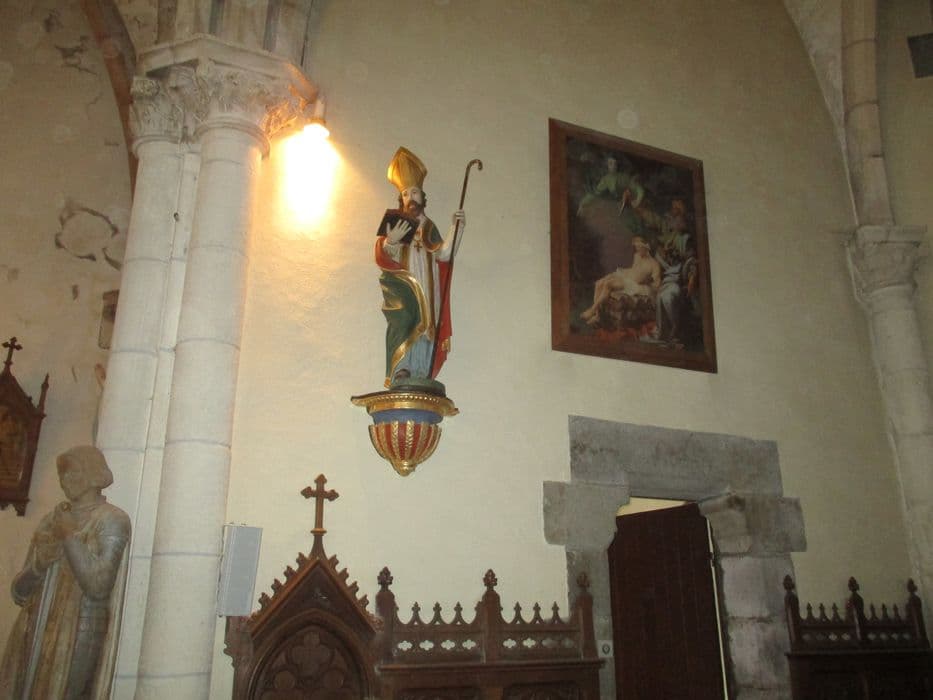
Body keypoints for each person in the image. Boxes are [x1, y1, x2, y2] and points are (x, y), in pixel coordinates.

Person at [0, 445, 130, 699]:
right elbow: (19, 593)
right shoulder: (51, 520)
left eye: (72, 472)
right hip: (36, 626)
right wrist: (39, 565)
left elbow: (99, 586)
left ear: (93, 473)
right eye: (61, 474)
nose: (64, 480)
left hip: (80, 630)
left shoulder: (112, 519)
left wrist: (69, 535)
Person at [375, 147, 465, 388]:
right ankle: (402, 369)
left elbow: (444, 253)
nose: (410, 198)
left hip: (427, 285)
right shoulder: (397, 224)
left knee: (427, 326)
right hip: (404, 286)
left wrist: (457, 228)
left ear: (423, 197)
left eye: (414, 192)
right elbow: (384, 254)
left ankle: (422, 370)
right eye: (405, 194)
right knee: (405, 319)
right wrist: (391, 240)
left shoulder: (429, 226)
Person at [581, 237, 661, 325]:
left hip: (636, 285)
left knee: (608, 284)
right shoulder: (637, 256)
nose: (637, 249)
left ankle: (593, 310)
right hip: (627, 276)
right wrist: (623, 272)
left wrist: (647, 281)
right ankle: (597, 316)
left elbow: (657, 284)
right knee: (599, 283)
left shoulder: (654, 264)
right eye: (636, 247)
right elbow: (634, 269)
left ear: (647, 247)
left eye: (639, 247)